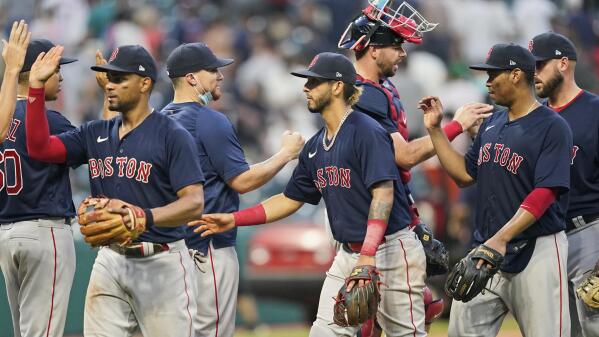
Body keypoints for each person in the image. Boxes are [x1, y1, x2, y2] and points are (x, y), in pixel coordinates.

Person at [191, 52, 427, 337]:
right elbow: (289, 199)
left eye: (314, 82)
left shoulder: (367, 131)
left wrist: (367, 254)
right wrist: (234, 219)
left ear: (338, 86)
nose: (306, 88)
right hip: (348, 253)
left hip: (389, 249)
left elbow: (384, 194)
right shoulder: (316, 146)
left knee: (406, 334)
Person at [25, 44, 206, 337]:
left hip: (161, 262)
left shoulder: (172, 135)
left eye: (120, 78)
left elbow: (194, 203)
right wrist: (35, 88)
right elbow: (39, 147)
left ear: (145, 83)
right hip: (109, 260)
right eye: (108, 77)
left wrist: (145, 217)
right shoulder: (94, 133)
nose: (110, 84)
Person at [338, 2, 493, 334]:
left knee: (413, 307)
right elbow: (404, 156)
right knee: (368, 321)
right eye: (395, 44)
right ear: (372, 48)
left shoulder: (384, 88)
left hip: (390, 213)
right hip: (369, 221)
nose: (402, 53)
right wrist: (455, 126)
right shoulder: (360, 94)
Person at [421, 43, 572, 337]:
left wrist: (501, 238)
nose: (487, 81)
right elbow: (465, 175)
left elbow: (546, 192)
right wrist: (436, 131)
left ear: (516, 75)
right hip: (486, 250)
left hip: (537, 249)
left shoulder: (552, 126)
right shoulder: (492, 123)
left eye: (494, 74)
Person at [161, 42, 305, 337]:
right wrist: (286, 154)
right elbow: (242, 181)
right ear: (191, 78)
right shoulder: (209, 119)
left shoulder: (158, 121)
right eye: (212, 69)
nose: (221, 75)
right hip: (207, 245)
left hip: (169, 249)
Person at [0, 22, 77, 337]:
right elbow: (99, 152)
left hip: (6, 235)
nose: (60, 76)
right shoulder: (52, 121)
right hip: (45, 233)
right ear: (36, 72)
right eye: (56, 68)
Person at [530, 31, 599, 337]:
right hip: (547, 240)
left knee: (593, 325)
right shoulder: (534, 118)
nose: (532, 73)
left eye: (539, 64)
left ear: (562, 64)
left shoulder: (595, 110)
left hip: (591, 234)